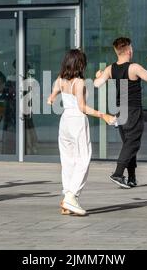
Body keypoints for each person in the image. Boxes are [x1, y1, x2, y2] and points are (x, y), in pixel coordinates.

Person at [48, 49, 115, 216]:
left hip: (64, 121)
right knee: (83, 159)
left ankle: (67, 199)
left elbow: (51, 98)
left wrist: (52, 98)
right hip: (77, 120)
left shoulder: (60, 80)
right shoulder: (79, 82)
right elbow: (82, 107)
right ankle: (71, 197)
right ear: (80, 64)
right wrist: (103, 115)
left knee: (68, 160)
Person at [94, 37, 147, 189]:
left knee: (128, 143)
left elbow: (97, 84)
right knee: (132, 143)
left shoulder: (110, 68)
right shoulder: (134, 67)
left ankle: (131, 178)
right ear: (129, 51)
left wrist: (99, 75)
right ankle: (117, 173)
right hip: (132, 110)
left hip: (119, 110)